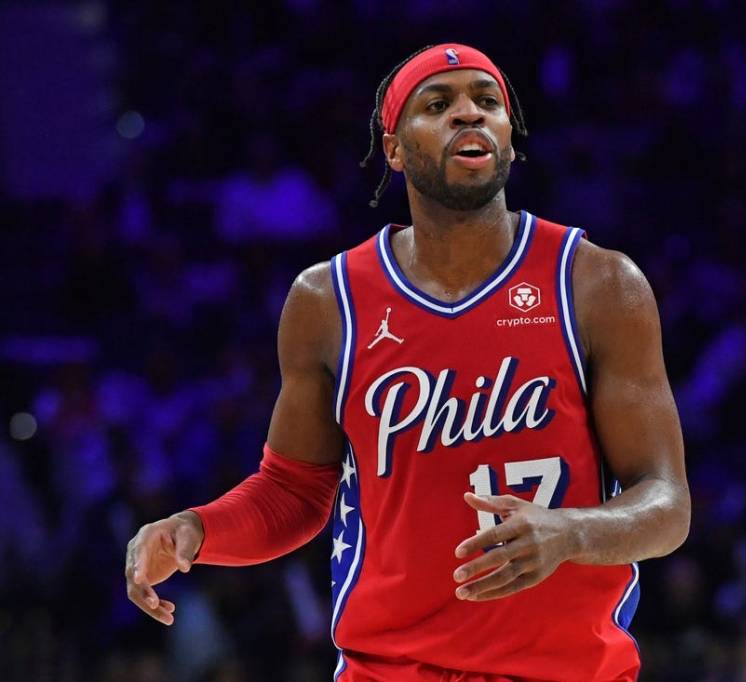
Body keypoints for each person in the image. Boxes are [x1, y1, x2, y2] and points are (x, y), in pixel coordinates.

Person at [125, 43, 690, 681]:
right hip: (390, 669)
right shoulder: (327, 300)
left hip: (566, 670)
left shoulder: (597, 284)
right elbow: (294, 491)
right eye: (439, 104)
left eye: (487, 101)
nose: (468, 115)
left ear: (509, 137)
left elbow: (666, 504)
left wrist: (569, 533)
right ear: (394, 148)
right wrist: (196, 530)